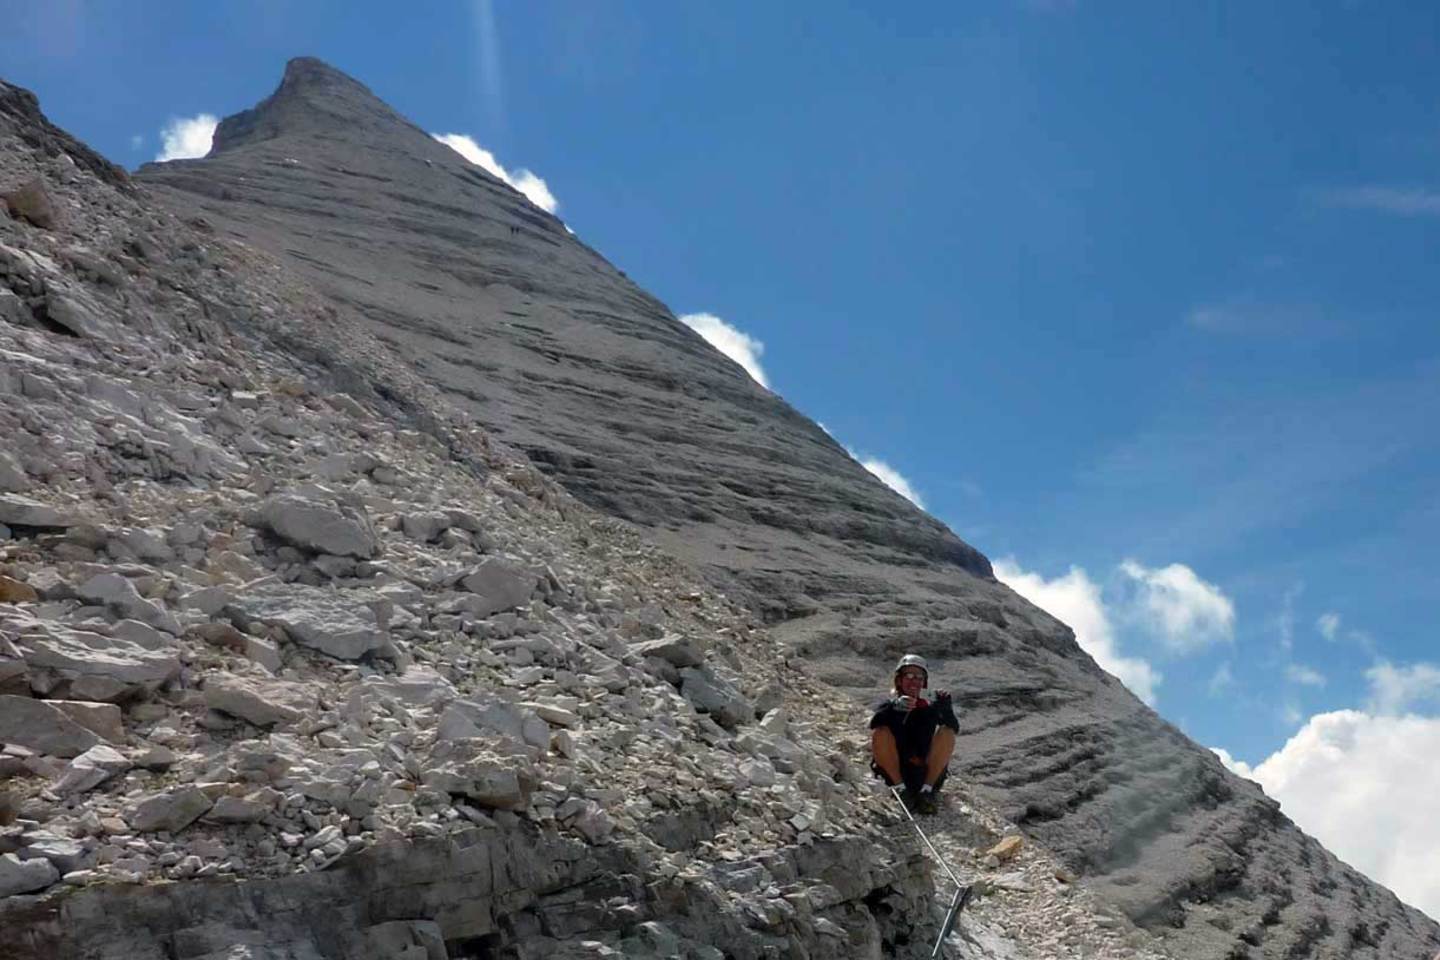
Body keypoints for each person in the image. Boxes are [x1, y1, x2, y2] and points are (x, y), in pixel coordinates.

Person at [870, 654, 957, 815]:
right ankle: (901, 790)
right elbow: (875, 723)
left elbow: (953, 727)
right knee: (881, 732)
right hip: (896, 771)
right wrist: (894, 707)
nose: (914, 681)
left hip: (923, 771)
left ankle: (926, 791)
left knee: (947, 732)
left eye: (919, 677)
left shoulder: (930, 707)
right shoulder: (889, 705)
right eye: (909, 676)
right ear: (899, 680)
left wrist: (946, 708)